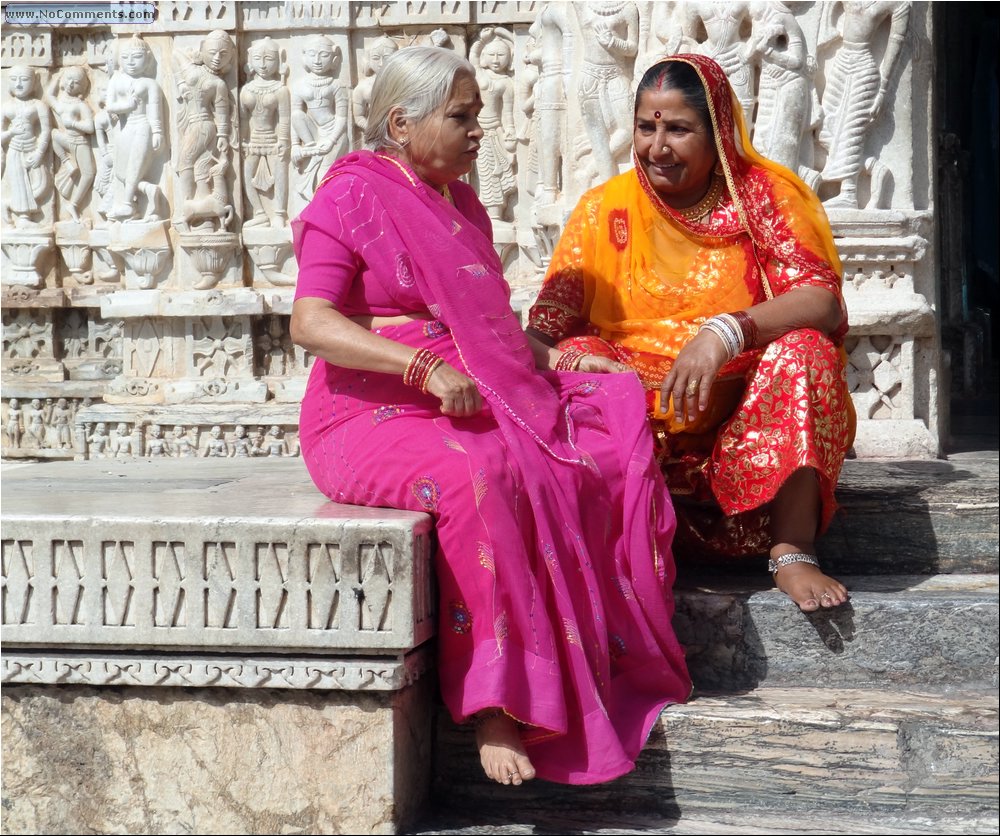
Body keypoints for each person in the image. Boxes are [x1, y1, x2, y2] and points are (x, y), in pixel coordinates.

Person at [290, 46, 690, 788]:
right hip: (364, 413)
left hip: (467, 392)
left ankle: (594, 657)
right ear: (401, 124)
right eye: (462, 117)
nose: (480, 133)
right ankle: (495, 706)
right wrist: (420, 368)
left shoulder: (461, 204)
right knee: (484, 470)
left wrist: (562, 359)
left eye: (479, 118)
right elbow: (310, 322)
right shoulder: (348, 199)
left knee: (597, 436)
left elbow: (491, 329)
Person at [527, 55, 855, 614]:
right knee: (576, 355)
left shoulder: (764, 198)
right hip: (639, 434)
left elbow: (821, 300)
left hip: (744, 426)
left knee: (806, 350)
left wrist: (727, 332)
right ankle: (618, 543)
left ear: (718, 132)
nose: (658, 147)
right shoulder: (603, 210)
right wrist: (581, 366)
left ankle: (792, 548)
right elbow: (537, 338)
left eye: (678, 129)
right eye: (646, 127)